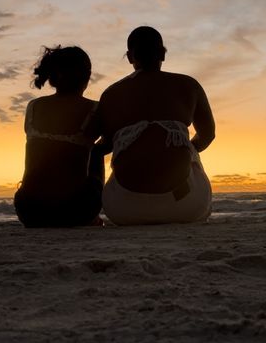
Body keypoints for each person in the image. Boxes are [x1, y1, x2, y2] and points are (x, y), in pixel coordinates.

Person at [88, 26, 215, 225]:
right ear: (163, 54)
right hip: (186, 207)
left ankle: (90, 213)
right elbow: (207, 136)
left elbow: (104, 146)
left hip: (123, 209)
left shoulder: (111, 94)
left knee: (96, 153)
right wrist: (181, 149)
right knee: (190, 149)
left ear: (130, 57)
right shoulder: (189, 85)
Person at [14, 46, 103, 227]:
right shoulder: (94, 109)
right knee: (96, 150)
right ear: (86, 78)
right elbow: (113, 141)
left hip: (28, 210)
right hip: (75, 211)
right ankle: (92, 218)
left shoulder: (33, 106)